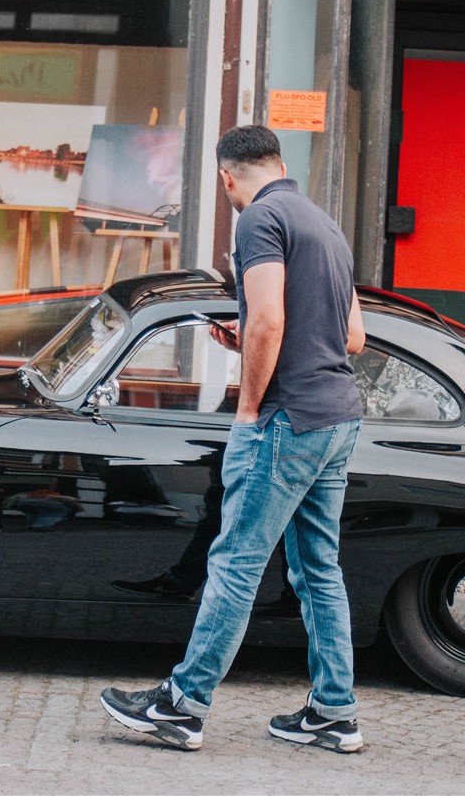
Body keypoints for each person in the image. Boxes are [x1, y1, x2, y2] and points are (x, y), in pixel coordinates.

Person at [101, 124, 367, 754]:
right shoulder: (323, 224)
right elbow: (350, 336)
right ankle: (334, 712)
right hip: (338, 417)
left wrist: (247, 409)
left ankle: (182, 706)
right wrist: (244, 332)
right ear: (279, 162)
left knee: (234, 564)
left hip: (285, 419)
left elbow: (272, 318)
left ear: (227, 178)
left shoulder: (258, 220)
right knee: (318, 571)